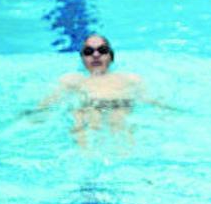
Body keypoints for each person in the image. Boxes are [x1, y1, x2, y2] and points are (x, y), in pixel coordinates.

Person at [25, 34, 169, 148]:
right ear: (82, 59)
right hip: (86, 142)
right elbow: (43, 110)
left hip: (122, 141)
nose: (95, 55)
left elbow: (156, 105)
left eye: (102, 50)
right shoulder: (71, 81)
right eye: (88, 51)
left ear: (111, 56)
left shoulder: (130, 80)